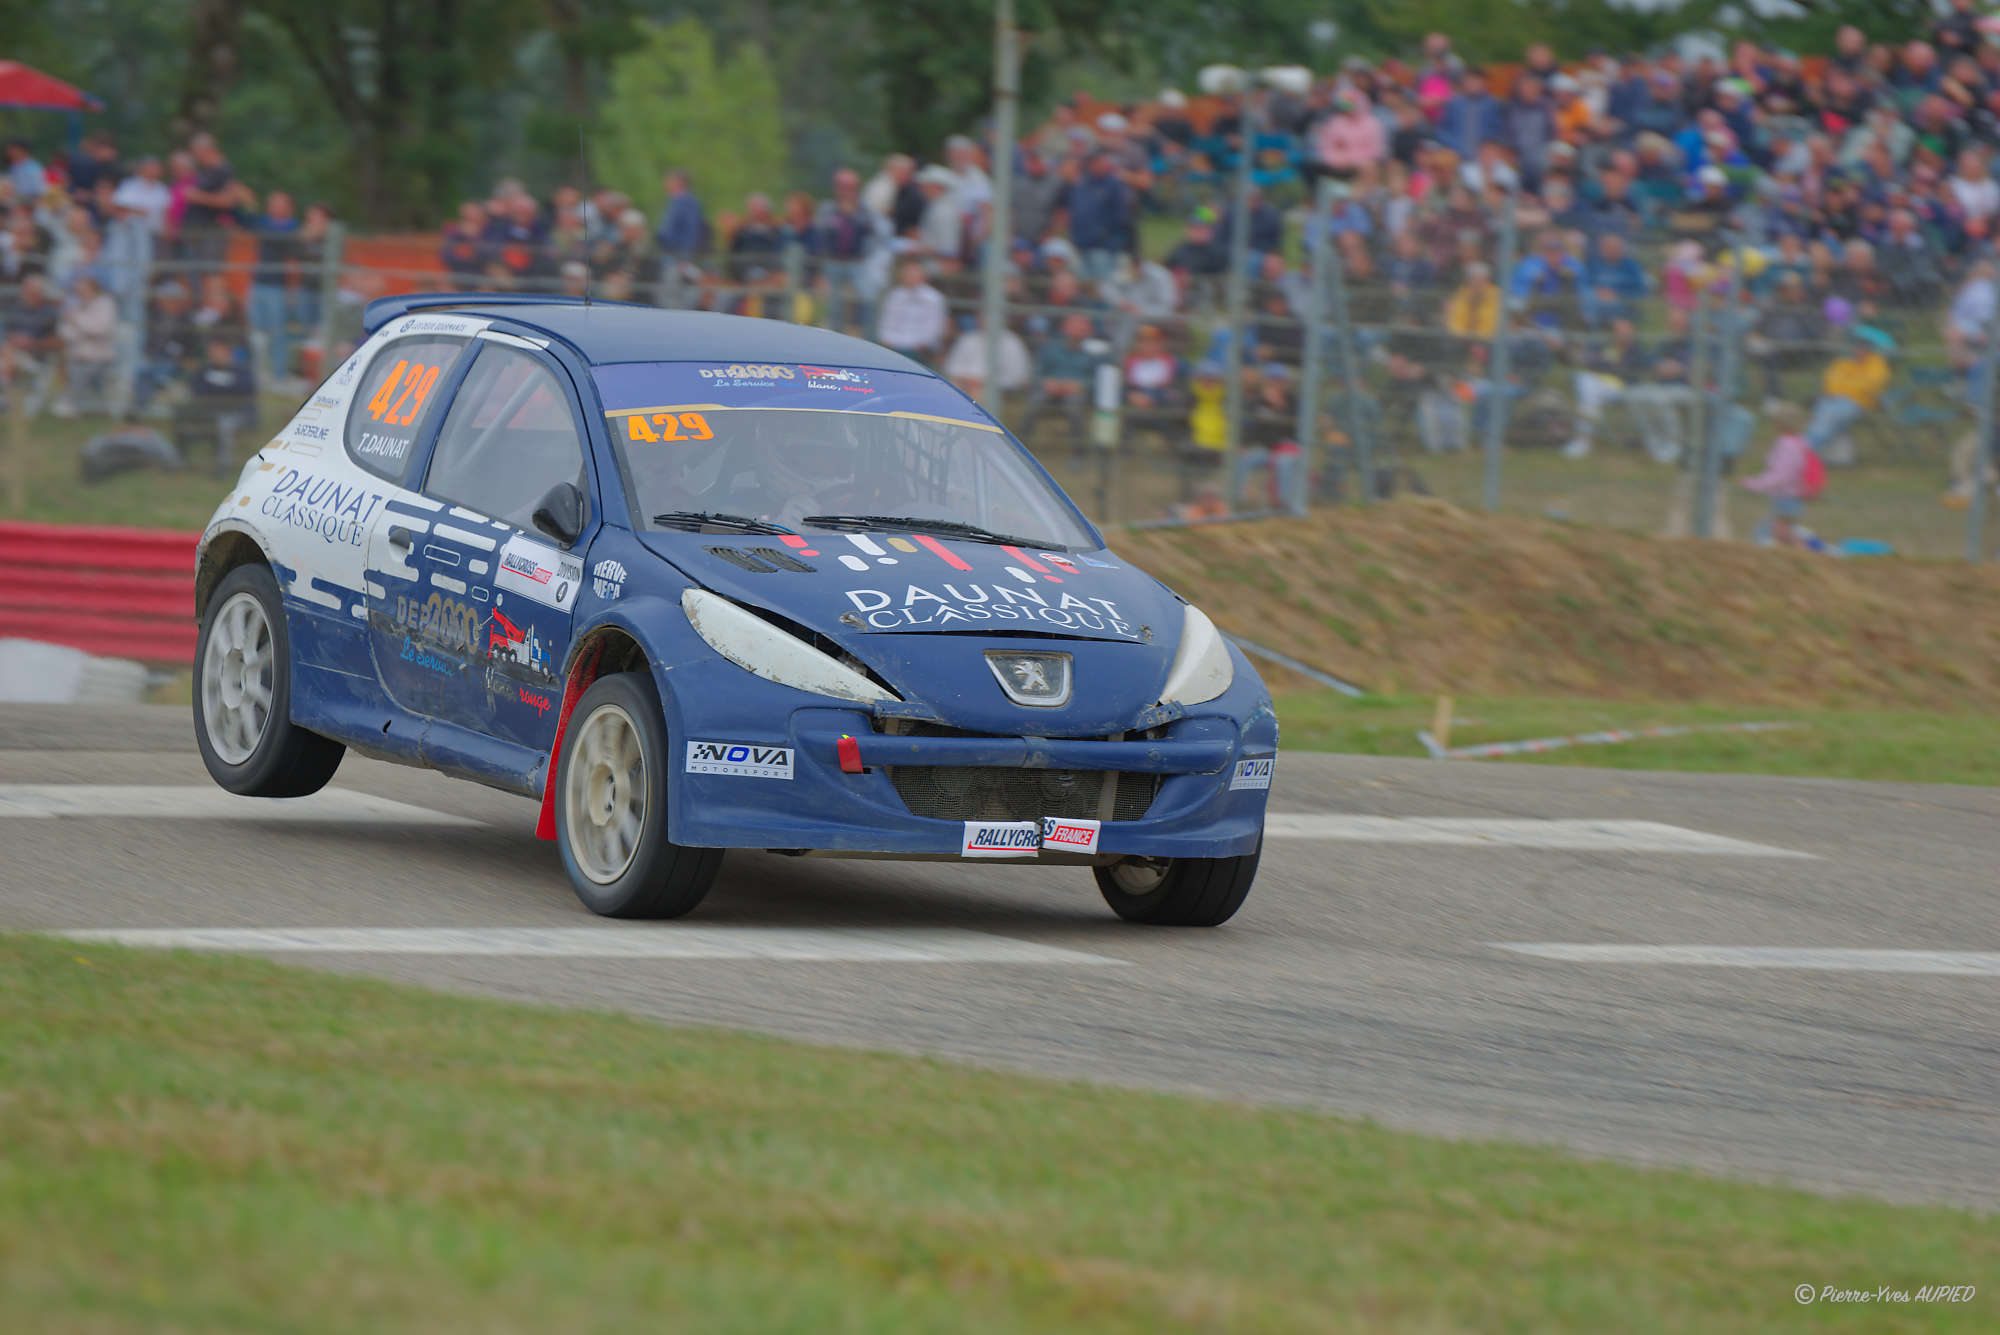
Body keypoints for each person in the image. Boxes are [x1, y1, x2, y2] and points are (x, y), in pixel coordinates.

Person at [1804, 327, 1893, 465]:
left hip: (1858, 404)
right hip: (1833, 400)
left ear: (1870, 349)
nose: (1859, 350)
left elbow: (1871, 386)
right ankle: (1811, 449)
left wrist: (1845, 387)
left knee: (1829, 415)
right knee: (1825, 414)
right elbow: (1830, 382)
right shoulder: (1843, 362)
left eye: (1863, 347)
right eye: (1857, 346)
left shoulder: (1877, 365)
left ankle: (1805, 449)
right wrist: (1851, 386)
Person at [1740, 403, 1818, 545]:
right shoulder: (1800, 442)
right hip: (1792, 496)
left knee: (1767, 533)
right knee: (1784, 533)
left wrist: (1755, 484)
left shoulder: (1786, 445)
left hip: (1786, 497)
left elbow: (1781, 475)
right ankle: (1807, 555)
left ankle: (1809, 555)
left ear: (1779, 423)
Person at [54, 272, 118, 417]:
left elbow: (100, 330)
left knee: (78, 369)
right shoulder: (77, 305)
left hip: (100, 358)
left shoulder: (106, 304)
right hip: (77, 356)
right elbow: (65, 333)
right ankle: (75, 403)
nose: (79, 291)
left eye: (82, 288)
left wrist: (76, 321)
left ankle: (71, 403)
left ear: (92, 288)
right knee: (66, 364)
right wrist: (80, 326)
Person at [941, 316, 1030, 402]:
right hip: (963, 384)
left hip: (995, 390)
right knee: (949, 387)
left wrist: (983, 382)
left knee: (977, 395)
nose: (983, 319)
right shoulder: (968, 338)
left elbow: (1015, 377)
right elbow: (952, 367)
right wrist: (967, 380)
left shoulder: (1012, 342)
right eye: (982, 316)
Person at [875, 259, 947, 362]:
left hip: (922, 348)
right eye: (907, 274)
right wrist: (889, 342)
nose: (910, 277)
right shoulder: (894, 296)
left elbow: (934, 329)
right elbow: (886, 324)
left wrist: (920, 345)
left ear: (923, 276)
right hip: (895, 345)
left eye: (914, 273)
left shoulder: (934, 298)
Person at [655, 170, 709, 259]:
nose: (666, 184)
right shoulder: (676, 201)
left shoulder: (686, 202)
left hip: (680, 251)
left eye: (670, 181)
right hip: (673, 250)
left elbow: (690, 229)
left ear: (680, 182)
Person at [1444, 262, 1500, 340]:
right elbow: (1454, 323)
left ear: (1487, 280)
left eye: (1481, 279)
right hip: (1463, 340)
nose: (1477, 283)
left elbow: (1494, 323)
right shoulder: (1461, 294)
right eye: (1474, 279)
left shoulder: (1496, 296)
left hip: (1488, 340)